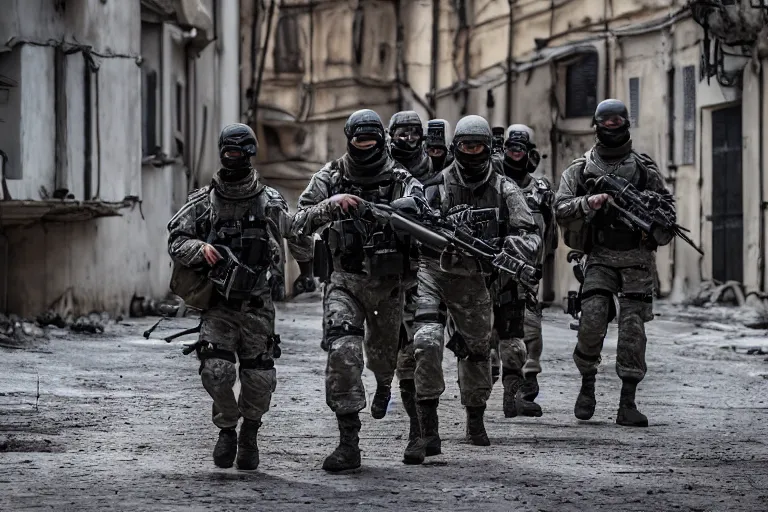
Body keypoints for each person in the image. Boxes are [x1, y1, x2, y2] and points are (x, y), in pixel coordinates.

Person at [167, 123, 311, 470]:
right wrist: (199, 249)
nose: (234, 159)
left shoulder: (269, 201)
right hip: (218, 302)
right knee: (215, 370)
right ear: (222, 153)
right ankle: (227, 428)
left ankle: (250, 433)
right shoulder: (204, 202)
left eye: (240, 153)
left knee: (258, 377)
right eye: (228, 152)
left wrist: (308, 272)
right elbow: (175, 240)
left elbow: (296, 231)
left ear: (250, 155)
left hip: (258, 304)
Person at [291, 109, 425, 472]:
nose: (364, 148)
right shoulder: (330, 177)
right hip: (345, 281)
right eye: (358, 142)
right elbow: (296, 222)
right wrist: (328, 207)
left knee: (397, 360)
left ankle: (415, 427)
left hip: (391, 285)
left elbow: (423, 209)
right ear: (349, 140)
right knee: (343, 352)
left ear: (381, 141)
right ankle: (349, 442)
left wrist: (404, 210)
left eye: (371, 142)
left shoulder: (400, 178)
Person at [407, 114, 541, 460]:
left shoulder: (504, 188)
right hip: (434, 273)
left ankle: (475, 419)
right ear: (456, 147)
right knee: (426, 342)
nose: (472, 151)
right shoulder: (434, 187)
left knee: (477, 352)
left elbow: (530, 234)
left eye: (478, 145)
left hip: (475, 279)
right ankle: (427, 430)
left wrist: (506, 250)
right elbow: (410, 227)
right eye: (466, 145)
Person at [554, 99, 675, 427]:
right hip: (600, 257)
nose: (611, 128)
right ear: (596, 125)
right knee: (592, 320)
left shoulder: (643, 169)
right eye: (605, 123)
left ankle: (627, 401)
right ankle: (587, 384)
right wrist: (588, 202)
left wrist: (652, 208)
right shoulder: (580, 169)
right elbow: (560, 206)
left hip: (636, 258)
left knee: (633, 331)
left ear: (625, 125)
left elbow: (668, 215)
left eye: (616, 122)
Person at [495, 124, 558, 418]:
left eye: (520, 149)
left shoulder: (541, 191)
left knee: (530, 329)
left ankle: (523, 389)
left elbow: (551, 237)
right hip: (491, 270)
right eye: (510, 148)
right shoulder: (491, 185)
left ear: (529, 153)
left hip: (525, 273)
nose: (514, 154)